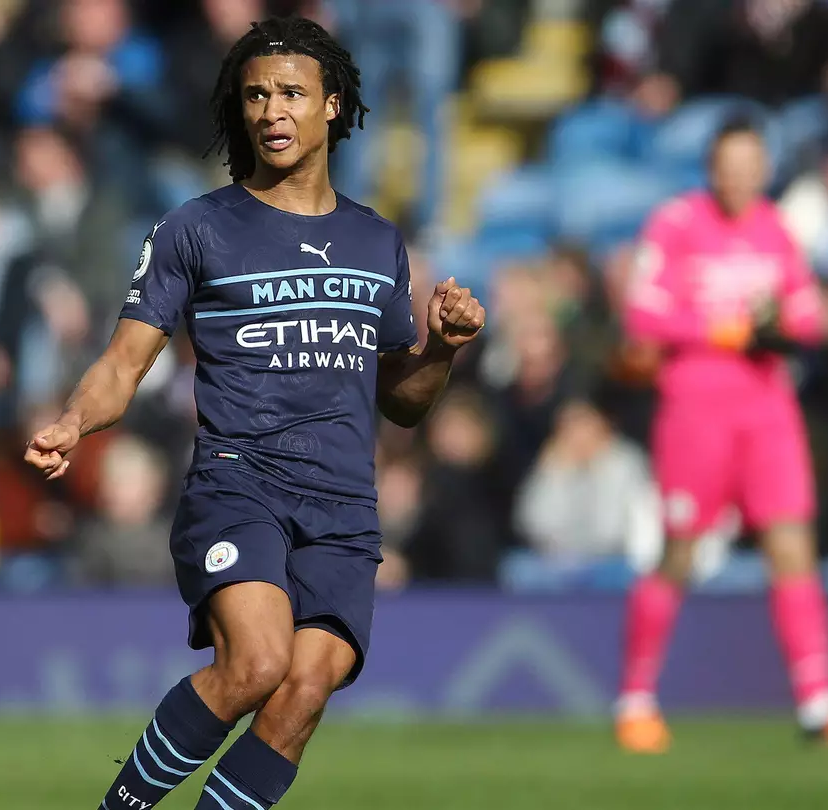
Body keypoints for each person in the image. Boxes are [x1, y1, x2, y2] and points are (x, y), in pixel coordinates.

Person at [24, 16, 485, 809]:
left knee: (305, 689)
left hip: (344, 500)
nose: (273, 110)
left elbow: (403, 405)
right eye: (257, 95)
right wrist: (74, 420)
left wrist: (440, 348)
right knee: (258, 663)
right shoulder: (196, 228)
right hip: (242, 481)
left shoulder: (377, 242)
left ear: (334, 105)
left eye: (293, 94)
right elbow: (124, 361)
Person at [617, 118, 828, 756]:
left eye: (753, 163)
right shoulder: (676, 224)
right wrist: (728, 330)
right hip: (696, 410)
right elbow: (644, 312)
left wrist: (780, 330)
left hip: (768, 412)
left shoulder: (775, 228)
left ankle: (819, 703)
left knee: (793, 546)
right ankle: (635, 701)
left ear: (765, 169)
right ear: (712, 167)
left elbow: (803, 312)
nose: (742, 175)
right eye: (731, 162)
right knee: (681, 551)